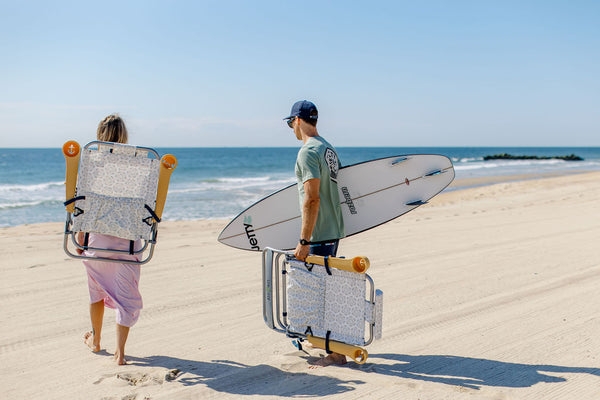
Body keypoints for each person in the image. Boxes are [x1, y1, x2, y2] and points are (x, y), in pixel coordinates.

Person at [284, 100, 346, 367]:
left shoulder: (307, 152)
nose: (291, 129)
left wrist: (304, 240)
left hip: (319, 233)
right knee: (325, 290)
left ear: (298, 121)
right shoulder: (328, 149)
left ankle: (336, 354)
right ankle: (326, 344)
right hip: (334, 229)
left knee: (319, 294)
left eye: (290, 123)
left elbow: (312, 199)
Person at [77, 114, 143, 365]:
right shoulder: (138, 166)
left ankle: (95, 341)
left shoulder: (92, 164)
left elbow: (83, 207)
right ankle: (120, 352)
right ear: (124, 135)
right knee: (126, 299)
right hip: (127, 244)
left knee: (96, 293)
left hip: (97, 245)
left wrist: (81, 239)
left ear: (100, 135)